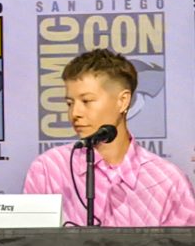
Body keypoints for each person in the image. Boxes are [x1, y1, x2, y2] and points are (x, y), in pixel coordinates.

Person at [24, 49, 195, 226]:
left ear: (123, 101)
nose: (75, 113)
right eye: (70, 103)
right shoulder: (48, 169)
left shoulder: (167, 181)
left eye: (87, 101)